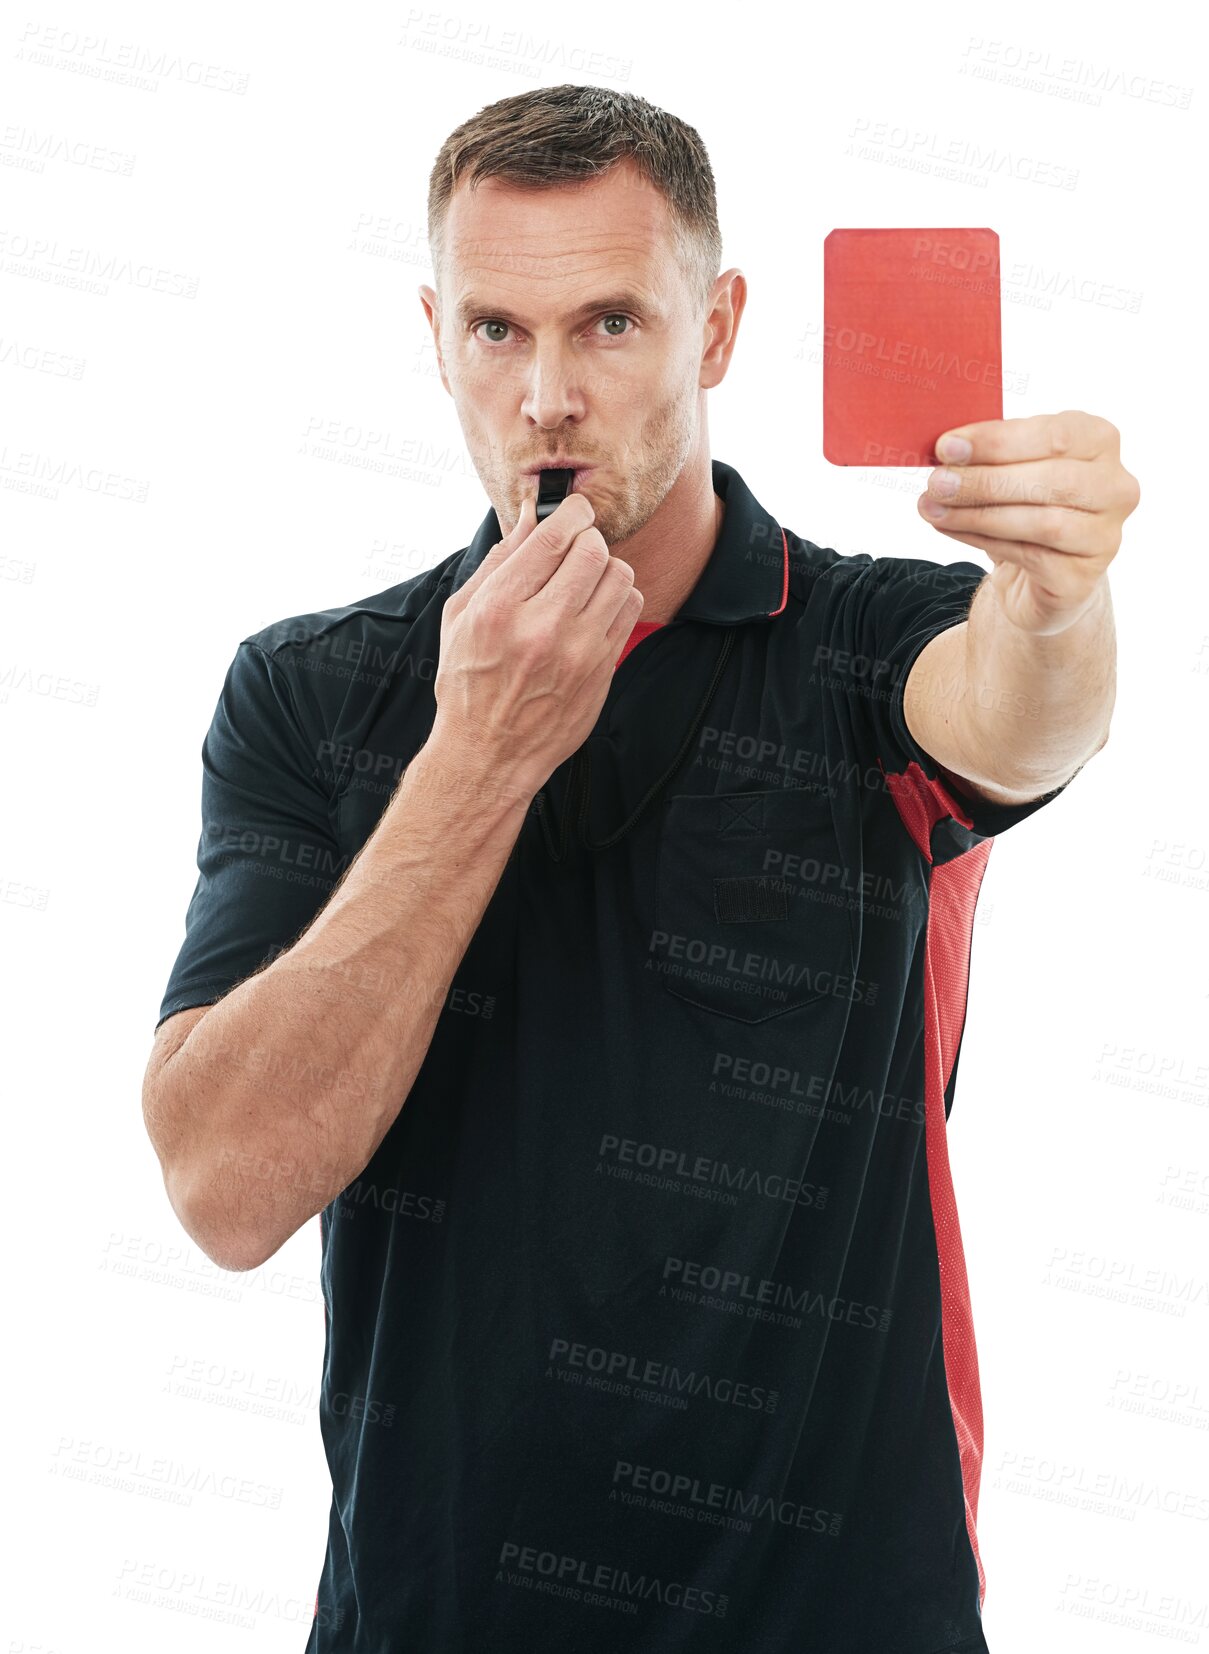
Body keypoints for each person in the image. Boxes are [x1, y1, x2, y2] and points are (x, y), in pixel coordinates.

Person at [141, 84, 1138, 1654]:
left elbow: (1015, 716)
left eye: (609, 323)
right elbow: (223, 1186)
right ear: (435, 331)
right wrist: (477, 755)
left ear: (717, 327)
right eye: (494, 330)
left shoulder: (863, 639)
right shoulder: (310, 691)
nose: (546, 395)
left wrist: (1057, 599)